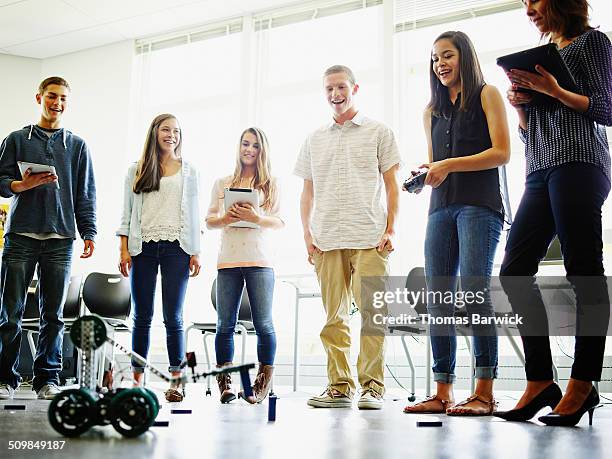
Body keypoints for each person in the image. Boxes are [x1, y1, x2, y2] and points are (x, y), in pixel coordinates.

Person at [495, 0, 611, 426]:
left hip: (581, 163)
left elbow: (606, 108)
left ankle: (584, 383)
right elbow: (532, 135)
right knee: (514, 271)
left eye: (534, 0)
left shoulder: (591, 42)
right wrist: (522, 104)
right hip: (541, 169)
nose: (529, 10)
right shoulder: (543, 56)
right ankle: (541, 380)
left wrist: (554, 91)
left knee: (584, 271)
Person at [403, 31, 510, 416]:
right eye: (434, 59)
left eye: (446, 55)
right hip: (441, 207)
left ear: (464, 55)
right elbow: (437, 165)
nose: (440, 64)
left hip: (479, 205)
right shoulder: (431, 111)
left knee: (475, 293)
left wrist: (447, 165)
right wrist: (428, 172)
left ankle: (484, 391)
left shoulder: (487, 94)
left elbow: (501, 152)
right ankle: (442, 390)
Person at [295, 65, 401, 410]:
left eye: (340, 87)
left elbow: (391, 184)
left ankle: (373, 387)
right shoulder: (314, 138)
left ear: (355, 89)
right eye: (328, 89)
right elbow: (307, 192)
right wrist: (307, 234)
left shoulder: (378, 132)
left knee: (373, 316)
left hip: (369, 236)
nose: (334, 94)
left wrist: (391, 228)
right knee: (333, 318)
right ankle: (339, 386)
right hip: (326, 239)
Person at [0, 76, 97, 400]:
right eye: (52, 96)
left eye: (64, 99)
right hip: (21, 236)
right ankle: (5, 379)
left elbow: (85, 194)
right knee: (10, 313)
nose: (57, 103)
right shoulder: (16, 139)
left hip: (61, 238)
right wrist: (21, 186)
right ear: (39, 97)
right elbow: (0, 180)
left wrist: (89, 232)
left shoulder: (78, 145)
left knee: (53, 315)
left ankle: (46, 380)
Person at [117, 113, 201, 403]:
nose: (172, 135)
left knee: (173, 317)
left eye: (176, 130)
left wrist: (196, 251)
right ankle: (138, 381)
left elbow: (193, 214)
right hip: (143, 248)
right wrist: (123, 249)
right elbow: (127, 214)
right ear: (155, 132)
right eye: (166, 129)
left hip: (178, 248)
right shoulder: (137, 170)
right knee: (142, 317)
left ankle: (177, 380)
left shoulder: (189, 171)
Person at [206, 127, 283, 404]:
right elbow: (209, 221)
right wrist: (226, 218)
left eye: (254, 146)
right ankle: (225, 382)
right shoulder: (223, 182)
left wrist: (256, 217)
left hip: (260, 260)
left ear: (262, 150)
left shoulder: (270, 183)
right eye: (245, 144)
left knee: (263, 323)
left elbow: (279, 221)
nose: (249, 149)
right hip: (228, 260)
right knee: (224, 324)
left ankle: (261, 383)